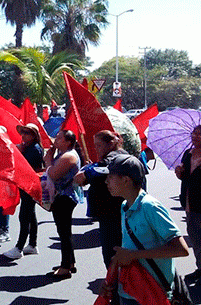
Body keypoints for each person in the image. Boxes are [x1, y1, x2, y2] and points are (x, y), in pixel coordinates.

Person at [103, 153, 189, 305]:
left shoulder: (149, 206)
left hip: (153, 291)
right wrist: (112, 277)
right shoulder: (125, 206)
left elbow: (181, 249)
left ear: (126, 180)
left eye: (110, 177)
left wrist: (134, 255)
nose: (106, 181)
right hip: (130, 290)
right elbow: (128, 249)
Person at [74, 130, 129, 268]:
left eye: (99, 145)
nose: (96, 149)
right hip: (111, 212)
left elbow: (88, 175)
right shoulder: (116, 156)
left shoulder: (113, 158)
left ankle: (116, 285)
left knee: (112, 254)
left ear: (111, 144)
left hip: (111, 212)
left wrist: (88, 172)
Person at [43, 129, 82, 280]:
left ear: (68, 142)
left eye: (59, 138)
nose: (56, 140)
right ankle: (70, 262)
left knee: (64, 233)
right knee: (64, 232)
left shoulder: (69, 156)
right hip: (61, 197)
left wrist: (48, 160)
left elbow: (53, 174)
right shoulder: (63, 154)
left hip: (65, 198)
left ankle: (65, 267)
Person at [3, 123, 44, 259]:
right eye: (23, 132)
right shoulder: (29, 147)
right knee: (31, 215)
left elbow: (25, 166)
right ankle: (32, 244)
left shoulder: (34, 149)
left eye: (27, 132)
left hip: (29, 185)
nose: (24, 135)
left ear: (34, 135)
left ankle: (19, 248)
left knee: (24, 216)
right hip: (27, 184)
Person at [175, 124, 201, 281]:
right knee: (196, 239)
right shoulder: (188, 154)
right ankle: (200, 268)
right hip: (190, 203)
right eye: (193, 134)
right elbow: (185, 178)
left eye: (199, 134)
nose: (195, 137)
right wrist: (180, 173)